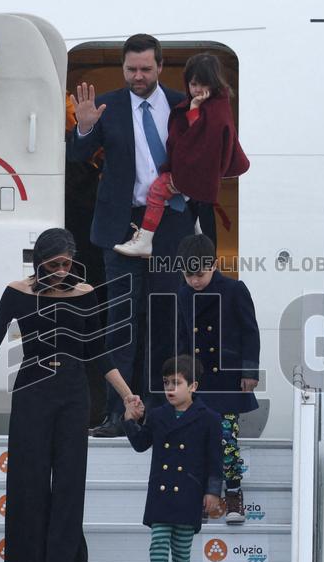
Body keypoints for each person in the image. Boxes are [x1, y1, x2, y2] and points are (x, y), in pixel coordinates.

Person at [0, 228, 143, 562]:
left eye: (66, 263)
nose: (60, 270)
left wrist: (126, 395)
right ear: (39, 262)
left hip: (72, 396)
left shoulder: (86, 295)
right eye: (53, 264)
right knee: (28, 485)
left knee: (69, 487)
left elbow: (98, 352)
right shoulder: (16, 292)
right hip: (32, 393)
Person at [68, 34, 215, 437]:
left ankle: (163, 409)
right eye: (130, 69)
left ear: (159, 66)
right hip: (121, 229)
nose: (137, 76)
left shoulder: (182, 105)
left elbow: (209, 157)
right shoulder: (108, 106)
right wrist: (82, 129)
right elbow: (77, 158)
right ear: (123, 68)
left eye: (145, 69)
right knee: (121, 322)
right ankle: (119, 413)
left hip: (172, 226)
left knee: (167, 320)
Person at [113, 53, 248, 257]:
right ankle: (194, 228)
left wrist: (193, 110)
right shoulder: (215, 106)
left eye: (203, 84)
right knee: (187, 204)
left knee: (157, 190)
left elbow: (199, 141)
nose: (198, 90)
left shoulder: (212, 111)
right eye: (194, 84)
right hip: (194, 171)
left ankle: (145, 239)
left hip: (193, 171)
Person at [122, 355, 223, 562]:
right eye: (166, 383)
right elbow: (141, 444)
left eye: (176, 383)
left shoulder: (209, 418)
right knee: (158, 540)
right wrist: (129, 420)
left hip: (189, 491)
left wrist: (212, 492)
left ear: (193, 387)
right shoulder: (157, 415)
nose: (169, 388)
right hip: (161, 490)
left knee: (181, 547)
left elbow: (215, 460)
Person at [175, 233, 260, 524]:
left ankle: (233, 493)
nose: (195, 281)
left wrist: (249, 371)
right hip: (197, 381)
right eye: (188, 275)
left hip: (227, 379)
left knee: (226, 439)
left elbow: (250, 331)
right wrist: (179, 378)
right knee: (196, 440)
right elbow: (182, 337)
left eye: (199, 274)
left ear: (213, 265)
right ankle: (203, 496)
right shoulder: (183, 295)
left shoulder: (235, 290)